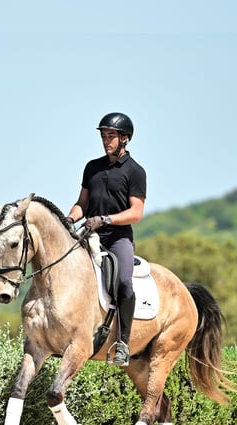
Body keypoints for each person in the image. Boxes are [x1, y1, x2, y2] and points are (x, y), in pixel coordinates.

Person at [66, 112, 146, 367]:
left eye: (111, 136)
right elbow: (82, 204)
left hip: (117, 238)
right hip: (90, 234)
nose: (106, 140)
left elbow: (136, 212)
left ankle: (122, 342)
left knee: (123, 281)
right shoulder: (92, 167)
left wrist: (106, 220)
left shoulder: (135, 172)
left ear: (125, 138)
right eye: (103, 136)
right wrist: (68, 219)